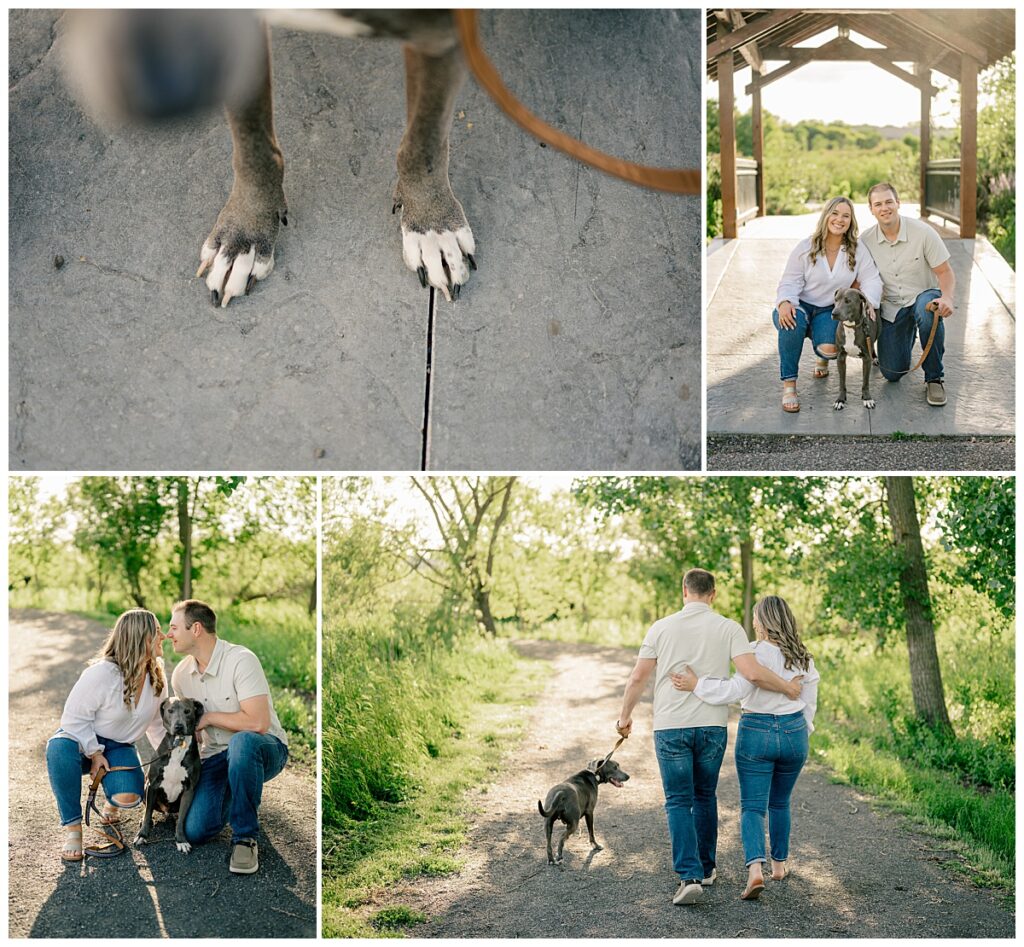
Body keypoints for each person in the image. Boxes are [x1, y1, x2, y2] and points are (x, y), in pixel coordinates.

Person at [615, 569, 802, 906]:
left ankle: (688, 876)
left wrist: (625, 717)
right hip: (712, 727)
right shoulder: (730, 628)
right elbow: (753, 673)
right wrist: (789, 687)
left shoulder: (661, 627)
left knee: (677, 800)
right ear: (713, 594)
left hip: (671, 725)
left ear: (684, 591)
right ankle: (707, 868)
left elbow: (638, 677)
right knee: (704, 795)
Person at [671, 595, 819, 901]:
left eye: (755, 618)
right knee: (780, 802)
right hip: (794, 732)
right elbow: (810, 705)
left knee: (753, 807)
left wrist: (697, 684)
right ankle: (779, 866)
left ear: (762, 622)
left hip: (757, 731)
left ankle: (755, 871)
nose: (752, 623)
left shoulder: (754, 653)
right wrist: (799, 733)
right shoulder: (804, 657)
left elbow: (735, 689)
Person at [165, 599, 289, 875]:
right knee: (194, 831)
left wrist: (207, 718)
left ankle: (245, 837)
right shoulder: (181, 676)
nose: (169, 634)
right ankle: (241, 789)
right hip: (216, 756)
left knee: (241, 742)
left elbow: (258, 722)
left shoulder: (241, 660)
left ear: (195, 628)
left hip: (263, 747)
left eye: (174, 627)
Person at [46, 608, 167, 861]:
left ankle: (110, 800)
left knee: (129, 797)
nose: (163, 636)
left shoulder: (157, 676)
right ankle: (73, 829)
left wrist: (169, 759)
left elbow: (158, 725)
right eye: (157, 632)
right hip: (81, 740)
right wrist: (94, 752)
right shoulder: (101, 673)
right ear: (140, 637)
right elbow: (73, 720)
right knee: (57, 748)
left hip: (119, 745)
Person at [772, 196, 883, 413]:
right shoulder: (806, 247)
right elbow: (789, 281)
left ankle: (821, 357)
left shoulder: (857, 250)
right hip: (801, 305)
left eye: (846, 216)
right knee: (790, 323)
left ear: (851, 222)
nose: (839, 219)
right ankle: (789, 386)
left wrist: (868, 302)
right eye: (835, 213)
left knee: (830, 350)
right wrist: (785, 302)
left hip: (830, 310)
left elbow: (871, 279)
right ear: (826, 216)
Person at [861, 182, 956, 407]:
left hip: (922, 296)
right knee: (891, 373)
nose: (884, 208)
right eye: (878, 204)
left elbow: (945, 272)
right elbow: (859, 278)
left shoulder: (923, 233)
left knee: (928, 311)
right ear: (871, 209)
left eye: (888, 202)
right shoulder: (865, 241)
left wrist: (947, 298)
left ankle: (934, 378)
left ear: (898, 203)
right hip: (892, 307)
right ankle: (908, 333)